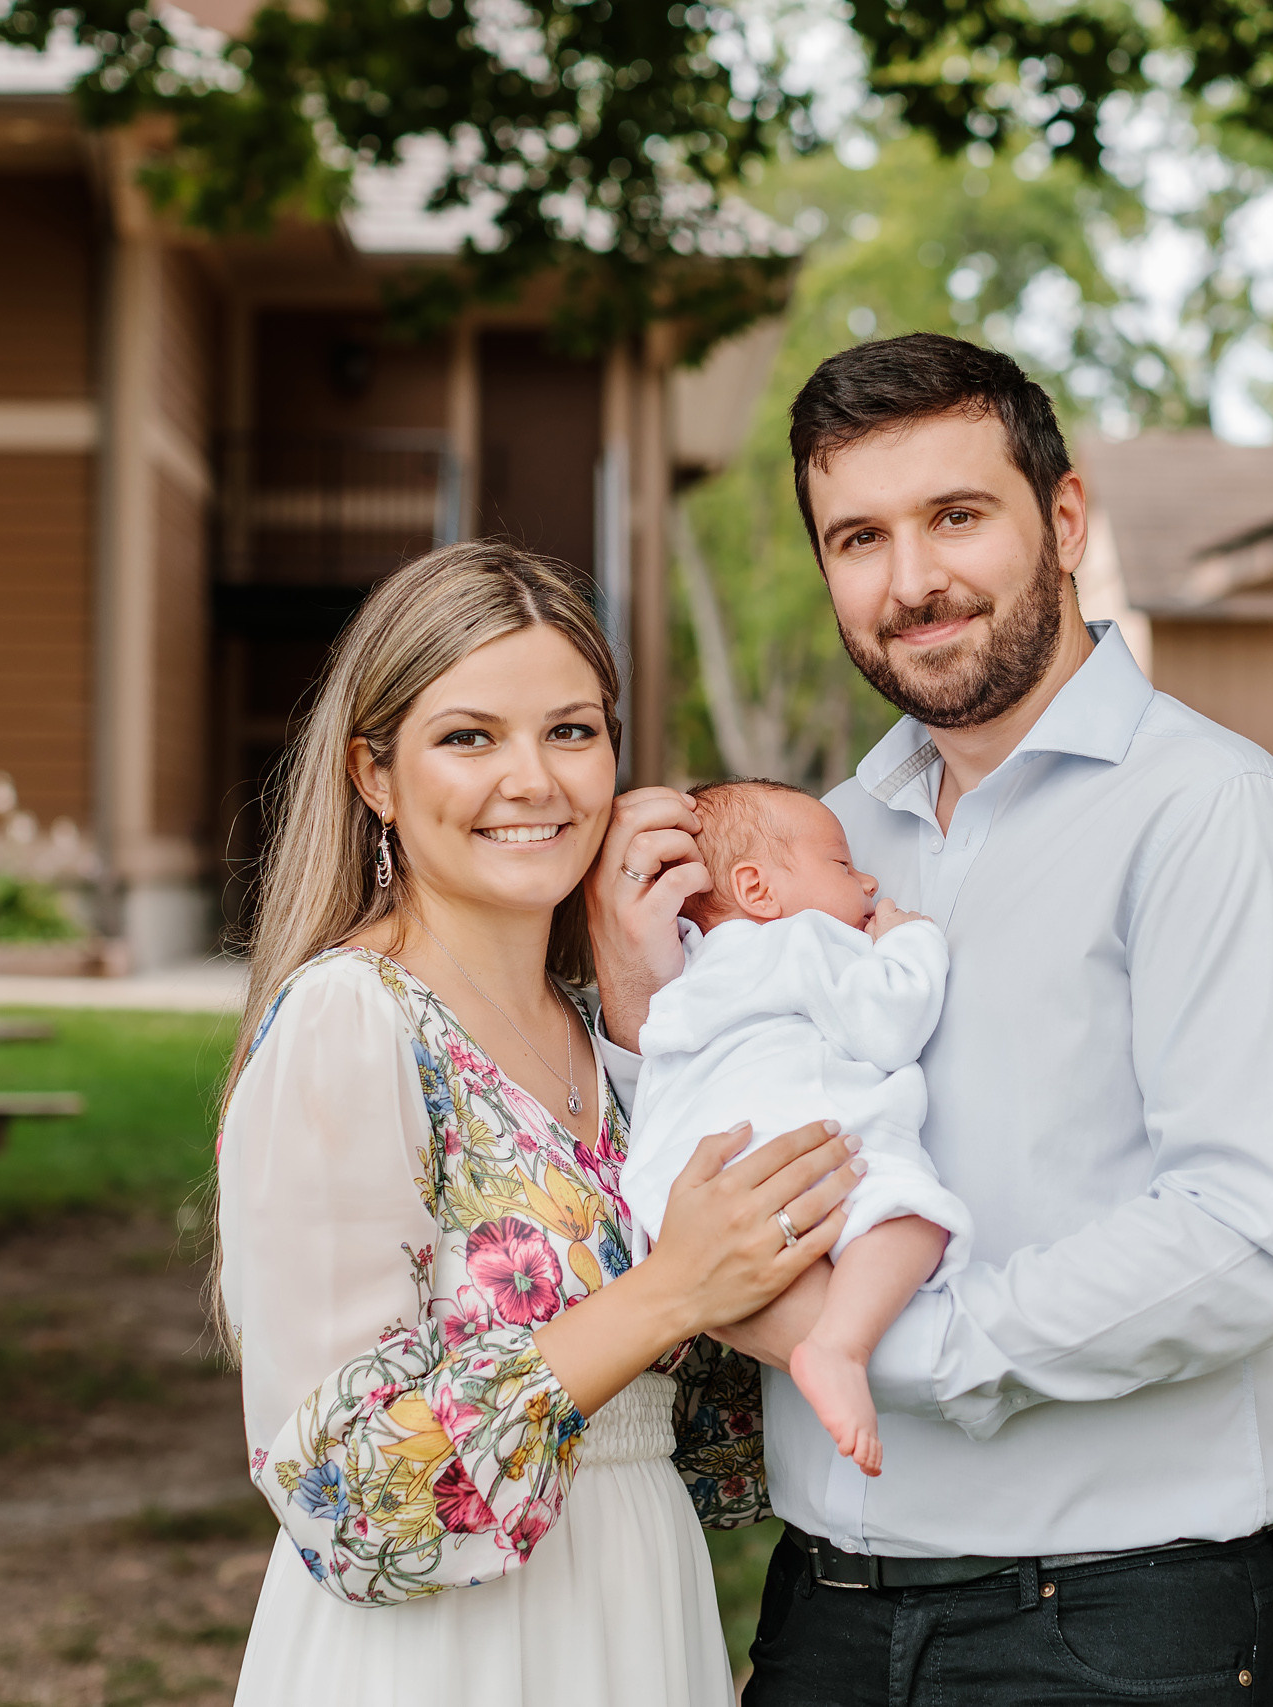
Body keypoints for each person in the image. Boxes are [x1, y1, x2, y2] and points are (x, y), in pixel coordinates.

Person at [588, 334, 1273, 1704]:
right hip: (826, 1606)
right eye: (858, 536)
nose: (913, 581)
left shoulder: (1204, 811)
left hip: (1112, 1624)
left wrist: (902, 1345)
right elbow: (748, 1108)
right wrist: (641, 1001)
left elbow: (1255, 1230)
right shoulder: (833, 839)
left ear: (1063, 519)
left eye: (957, 515)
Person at [213, 544, 863, 1707]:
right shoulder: (351, 1025)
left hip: (637, 1615)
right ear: (374, 775)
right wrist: (668, 1292)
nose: (535, 782)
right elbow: (345, 1496)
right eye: (470, 738)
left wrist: (637, 1009)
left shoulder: (606, 1035)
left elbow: (721, 1442)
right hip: (440, 1661)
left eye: (571, 732)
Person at [617, 779, 969, 1477]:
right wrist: (911, 941)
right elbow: (891, 1022)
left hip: (694, 1187)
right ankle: (840, 1342)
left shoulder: (691, 973)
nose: (868, 879)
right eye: (842, 865)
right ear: (757, 889)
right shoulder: (804, 940)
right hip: (802, 1148)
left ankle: (820, 1337)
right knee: (914, 1216)